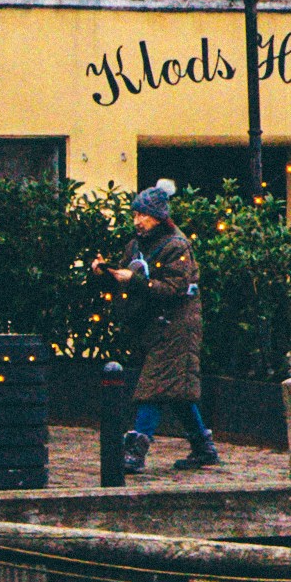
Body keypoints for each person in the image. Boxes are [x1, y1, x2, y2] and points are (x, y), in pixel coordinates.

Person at [112, 187, 217, 479]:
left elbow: (174, 289)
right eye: (135, 214)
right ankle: (203, 447)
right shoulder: (136, 245)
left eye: (143, 214)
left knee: (154, 386)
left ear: (158, 217)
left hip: (178, 325)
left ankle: (135, 451)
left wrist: (134, 282)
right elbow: (129, 275)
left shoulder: (176, 246)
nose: (137, 220)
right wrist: (105, 273)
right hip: (155, 324)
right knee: (177, 389)